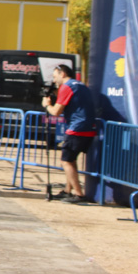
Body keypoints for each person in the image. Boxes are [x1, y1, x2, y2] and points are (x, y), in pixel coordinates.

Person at [41, 63, 96, 204]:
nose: (54, 81)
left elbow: (56, 112)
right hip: (87, 127)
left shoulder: (67, 87)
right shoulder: (80, 85)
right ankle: (67, 190)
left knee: (66, 161)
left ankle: (79, 194)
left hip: (77, 128)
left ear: (62, 74)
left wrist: (47, 104)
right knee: (71, 160)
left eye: (55, 77)